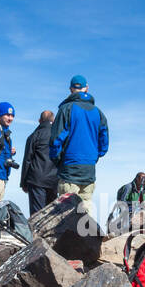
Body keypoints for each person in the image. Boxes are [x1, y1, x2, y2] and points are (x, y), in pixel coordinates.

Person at [50, 75, 109, 206]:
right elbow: (104, 144)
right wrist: (93, 156)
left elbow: (56, 141)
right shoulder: (98, 113)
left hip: (69, 170)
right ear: (86, 89)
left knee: (66, 214)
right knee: (85, 211)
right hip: (89, 170)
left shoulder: (66, 109)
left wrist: (58, 160)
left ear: (71, 89)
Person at [19, 110, 59, 215]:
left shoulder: (34, 136)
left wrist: (23, 182)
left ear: (39, 121)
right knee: (51, 213)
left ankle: (36, 231)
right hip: (54, 180)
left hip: (36, 180)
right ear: (53, 120)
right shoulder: (59, 136)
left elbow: (27, 160)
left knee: (37, 214)